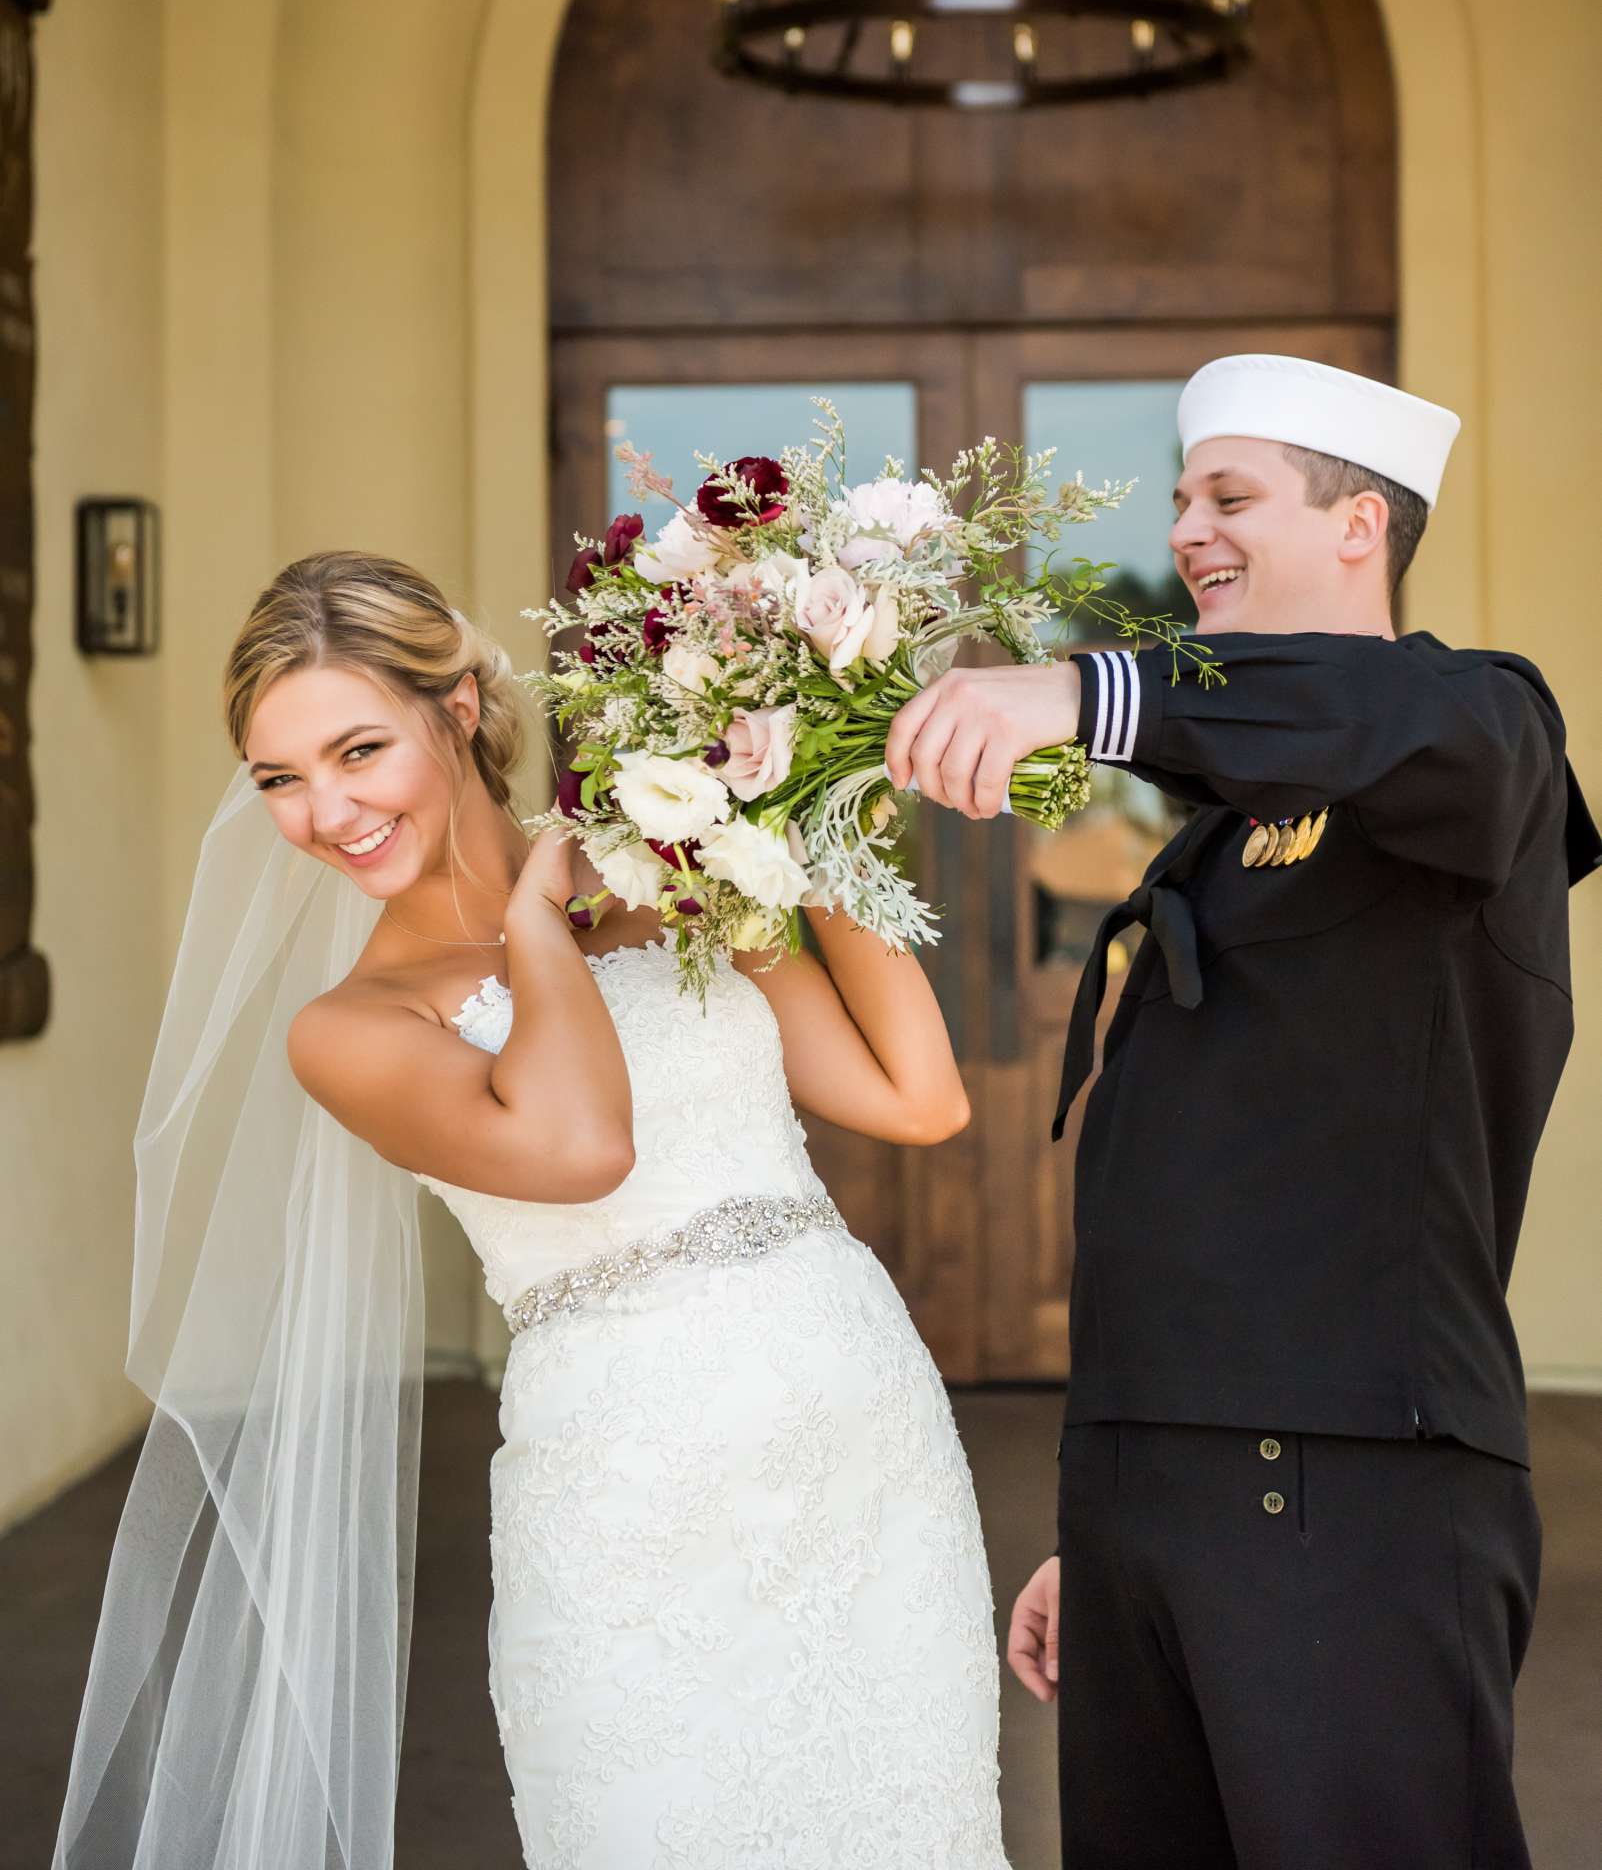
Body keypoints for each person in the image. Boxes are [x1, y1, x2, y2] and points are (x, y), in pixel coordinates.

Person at [55, 550, 1010, 1870]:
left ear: (456, 707)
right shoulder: (349, 1028)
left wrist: (809, 797)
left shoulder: (678, 879)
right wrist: (540, 927)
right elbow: (579, 1149)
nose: (325, 810)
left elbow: (916, 1098)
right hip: (626, 1484)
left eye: (355, 751)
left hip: (853, 1430)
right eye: (280, 778)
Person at [886, 354, 1600, 1870]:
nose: (1190, 533)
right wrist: (1113, 1512)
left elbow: (1363, 716)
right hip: (1165, 1481)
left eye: (1231, 496)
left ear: (1361, 526)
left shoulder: (1478, 730)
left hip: (1356, 1474)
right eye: (1179, 502)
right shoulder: (1216, 834)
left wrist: (1079, 686)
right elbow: (1207, 1178)